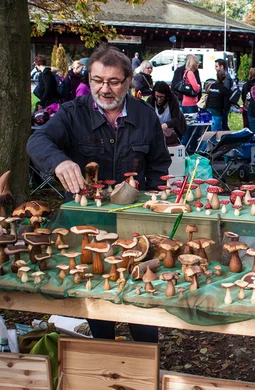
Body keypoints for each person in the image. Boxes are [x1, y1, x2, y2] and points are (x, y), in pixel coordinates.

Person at [26, 44, 171, 343]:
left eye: (114, 82)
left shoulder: (145, 116)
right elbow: (38, 141)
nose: (105, 89)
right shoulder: (71, 113)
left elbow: (158, 165)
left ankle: (145, 356)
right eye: (97, 80)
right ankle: (103, 354)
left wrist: (157, 203)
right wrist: (59, 161)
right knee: (95, 297)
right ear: (89, 79)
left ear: (129, 81)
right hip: (86, 223)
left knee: (140, 297)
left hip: (134, 222)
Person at [180, 55, 202, 149]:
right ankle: (189, 149)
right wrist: (199, 86)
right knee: (193, 129)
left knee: (187, 127)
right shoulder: (191, 73)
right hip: (191, 103)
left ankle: (184, 147)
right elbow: (196, 87)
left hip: (185, 102)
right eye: (197, 63)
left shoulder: (185, 73)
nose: (198, 65)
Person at [215, 58, 233, 130]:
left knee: (223, 124)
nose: (215, 68)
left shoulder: (225, 77)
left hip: (223, 104)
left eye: (216, 66)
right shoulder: (224, 76)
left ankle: (227, 138)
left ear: (221, 66)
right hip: (221, 103)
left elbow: (224, 90)